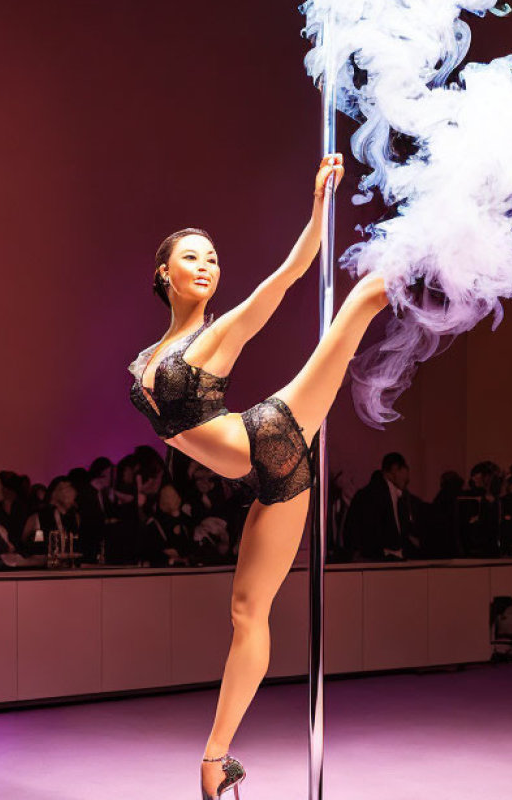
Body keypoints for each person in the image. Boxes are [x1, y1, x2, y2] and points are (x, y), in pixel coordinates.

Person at [127, 153, 391, 799]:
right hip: (266, 479)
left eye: (213, 257)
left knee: (361, 299)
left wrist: (318, 203)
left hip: (271, 435)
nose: (207, 264)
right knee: (247, 616)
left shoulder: (216, 336)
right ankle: (216, 761)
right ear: (164, 273)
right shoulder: (145, 359)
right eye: (193, 256)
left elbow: (293, 271)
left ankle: (456, 244)